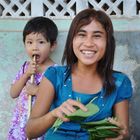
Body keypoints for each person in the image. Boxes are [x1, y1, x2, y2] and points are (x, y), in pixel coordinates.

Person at [25, 9, 133, 140]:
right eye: (81, 35)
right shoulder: (54, 75)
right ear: (72, 40)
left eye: (97, 36)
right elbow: (30, 131)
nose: (88, 43)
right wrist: (54, 114)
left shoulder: (119, 82)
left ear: (108, 42)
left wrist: (122, 135)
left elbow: (124, 132)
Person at [8, 16, 58, 140]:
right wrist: (26, 75)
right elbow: (13, 93)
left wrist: (36, 91)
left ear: (52, 45)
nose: (34, 47)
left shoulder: (56, 71)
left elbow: (58, 100)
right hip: (20, 123)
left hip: (40, 123)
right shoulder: (25, 67)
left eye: (41, 42)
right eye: (29, 42)